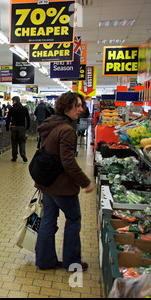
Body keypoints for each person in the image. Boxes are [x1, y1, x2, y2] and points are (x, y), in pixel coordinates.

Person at [34, 91, 94, 272]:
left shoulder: (50, 124)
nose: (81, 110)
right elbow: (68, 162)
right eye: (78, 106)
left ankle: (45, 261)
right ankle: (72, 262)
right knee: (74, 218)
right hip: (61, 186)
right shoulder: (67, 130)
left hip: (46, 181)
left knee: (48, 220)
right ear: (67, 107)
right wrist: (86, 182)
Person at [6, 96, 30, 162]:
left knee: (14, 143)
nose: (12, 102)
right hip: (22, 128)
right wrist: (27, 127)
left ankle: (14, 157)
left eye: (12, 101)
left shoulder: (11, 109)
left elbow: (8, 119)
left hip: (13, 128)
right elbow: (28, 119)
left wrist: (7, 128)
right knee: (22, 141)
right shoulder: (24, 109)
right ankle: (22, 153)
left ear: (15, 101)